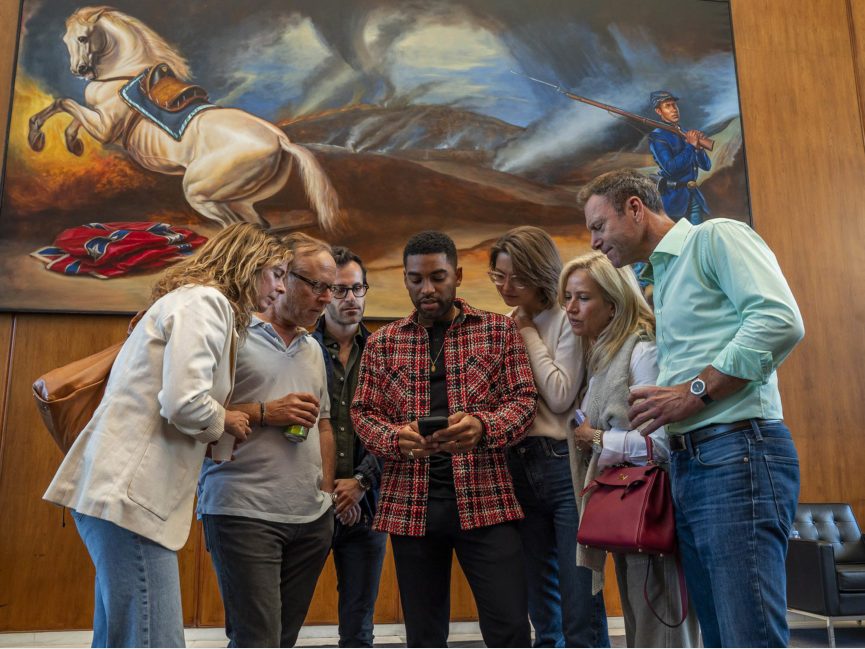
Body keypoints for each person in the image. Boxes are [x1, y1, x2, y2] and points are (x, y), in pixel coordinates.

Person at [580, 169, 804, 647]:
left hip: (737, 451)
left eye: (599, 226)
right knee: (720, 637)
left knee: (750, 635)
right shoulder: (661, 278)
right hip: (691, 462)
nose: (595, 242)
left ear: (635, 208)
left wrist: (694, 391)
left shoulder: (715, 237)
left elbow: (778, 320)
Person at [43, 223, 291, 648]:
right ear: (248, 263)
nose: (281, 288)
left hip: (115, 493)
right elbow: (184, 401)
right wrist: (226, 420)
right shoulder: (207, 303)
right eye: (277, 272)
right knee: (154, 640)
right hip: (129, 497)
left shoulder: (189, 301)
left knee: (120, 637)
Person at [352, 231, 538, 648]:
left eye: (437, 277)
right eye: (416, 279)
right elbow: (363, 413)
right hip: (410, 508)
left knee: (509, 628)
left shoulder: (498, 332)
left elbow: (524, 400)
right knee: (423, 635)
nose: (427, 289)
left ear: (457, 274)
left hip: (487, 501)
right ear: (405, 280)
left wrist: (483, 427)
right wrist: (395, 438)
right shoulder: (383, 343)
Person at [196, 233, 338, 648]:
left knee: (283, 640)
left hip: (310, 520)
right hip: (242, 512)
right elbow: (192, 412)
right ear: (282, 277)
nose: (327, 298)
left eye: (333, 288)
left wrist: (326, 497)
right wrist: (264, 412)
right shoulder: (232, 332)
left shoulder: (313, 348)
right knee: (256, 640)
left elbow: (325, 424)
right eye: (317, 285)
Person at [561, 251, 699, 648]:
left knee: (663, 631)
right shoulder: (602, 353)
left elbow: (662, 444)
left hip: (651, 508)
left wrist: (598, 440)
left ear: (613, 302)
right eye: (567, 297)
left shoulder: (641, 350)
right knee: (643, 630)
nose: (570, 308)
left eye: (582, 298)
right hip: (623, 507)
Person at [488, 226, 609, 647]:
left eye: (515, 278)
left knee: (580, 593)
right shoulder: (507, 323)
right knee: (540, 600)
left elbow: (559, 395)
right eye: (498, 277)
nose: (506, 287)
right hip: (516, 463)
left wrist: (524, 332)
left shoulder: (565, 318)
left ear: (539, 272)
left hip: (562, 463)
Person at [311, 246, 386, 648]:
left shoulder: (382, 353)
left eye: (358, 289)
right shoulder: (301, 350)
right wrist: (329, 487)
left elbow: (392, 425)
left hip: (366, 503)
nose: (351, 299)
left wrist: (359, 481)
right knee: (284, 615)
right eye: (341, 290)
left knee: (359, 626)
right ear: (323, 293)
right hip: (309, 503)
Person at [648, 90, 712, 225]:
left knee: (697, 240)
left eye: (674, 105)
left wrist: (699, 148)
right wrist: (690, 146)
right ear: (659, 111)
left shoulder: (685, 132)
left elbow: (706, 166)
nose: (674, 109)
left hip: (694, 196)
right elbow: (671, 168)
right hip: (673, 201)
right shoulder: (657, 136)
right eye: (668, 106)